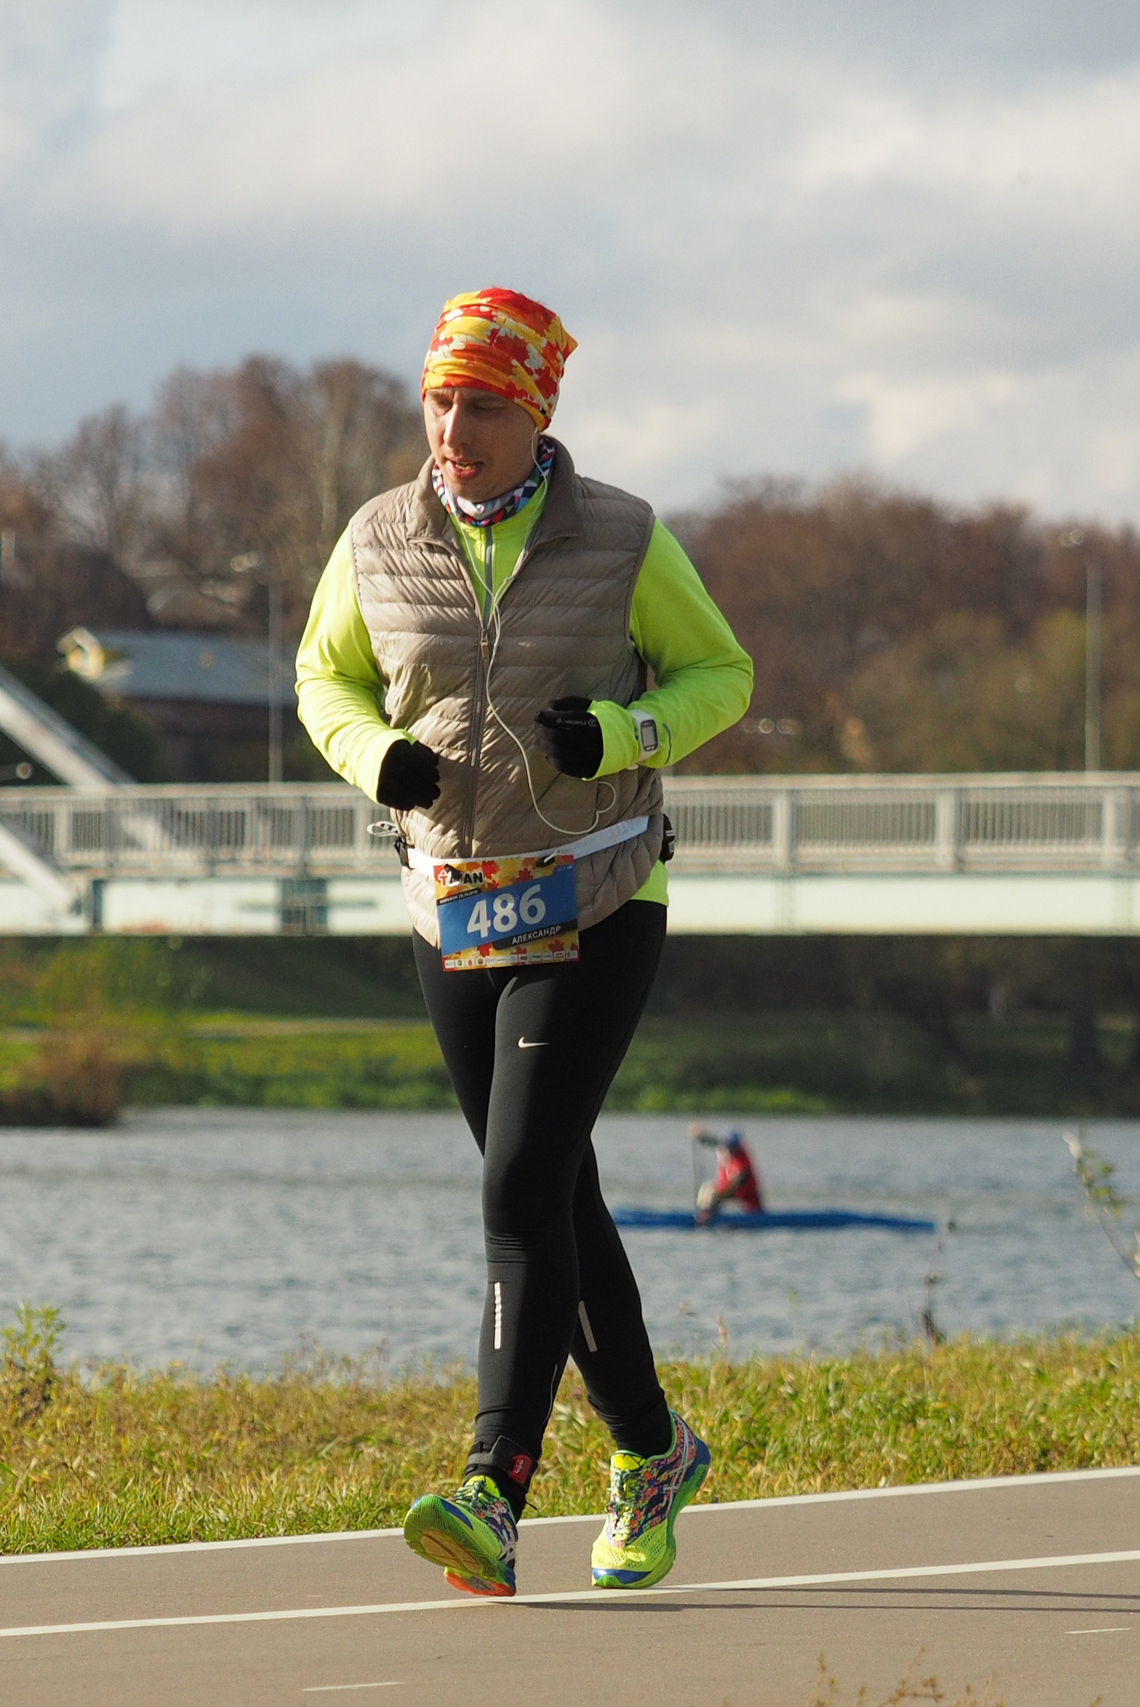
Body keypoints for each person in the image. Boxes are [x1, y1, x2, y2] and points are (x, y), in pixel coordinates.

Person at [296, 287, 754, 1597]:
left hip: (593, 891)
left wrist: (619, 737)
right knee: (553, 1186)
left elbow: (723, 675)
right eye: (440, 399)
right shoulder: (379, 536)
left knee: (517, 1182)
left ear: (536, 409)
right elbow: (318, 674)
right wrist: (368, 752)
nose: (456, 425)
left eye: (484, 402)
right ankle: (654, 1450)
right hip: (455, 894)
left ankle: (494, 1487)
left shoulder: (621, 535)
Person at [692, 1124, 762, 1222]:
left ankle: (707, 1215)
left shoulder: (742, 1159)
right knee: (706, 1188)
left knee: (714, 1194)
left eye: (732, 1146)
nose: (729, 1149)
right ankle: (704, 1213)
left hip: (746, 1191)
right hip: (728, 1186)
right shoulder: (723, 1147)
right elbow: (713, 1142)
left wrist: (719, 1196)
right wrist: (700, 1136)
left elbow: (738, 1182)